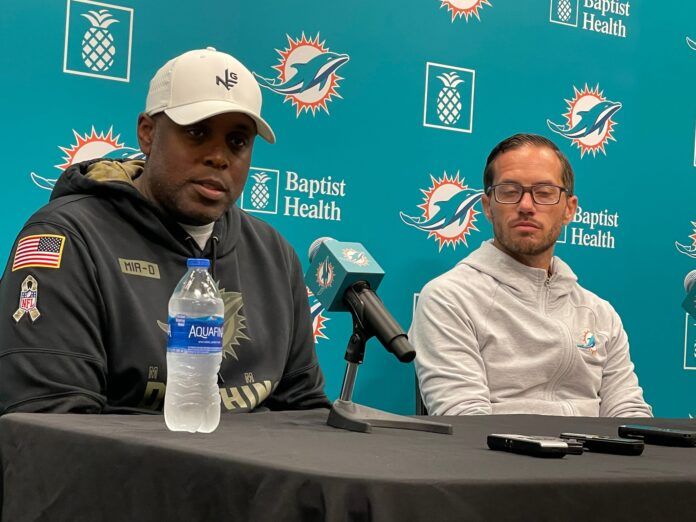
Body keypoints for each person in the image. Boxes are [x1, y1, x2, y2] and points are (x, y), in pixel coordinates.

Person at [0, 47, 330, 414]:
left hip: (254, 474)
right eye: (197, 132)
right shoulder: (67, 237)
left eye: (237, 141)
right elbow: (50, 421)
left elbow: (303, 412)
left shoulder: (274, 253)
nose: (218, 157)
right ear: (148, 133)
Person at [411, 133, 652, 417]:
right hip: (498, 458)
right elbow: (465, 421)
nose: (526, 205)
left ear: (569, 209)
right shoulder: (449, 298)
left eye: (545, 192)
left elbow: (629, 414)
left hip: (598, 460)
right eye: (510, 191)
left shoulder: (599, 314)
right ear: (488, 207)